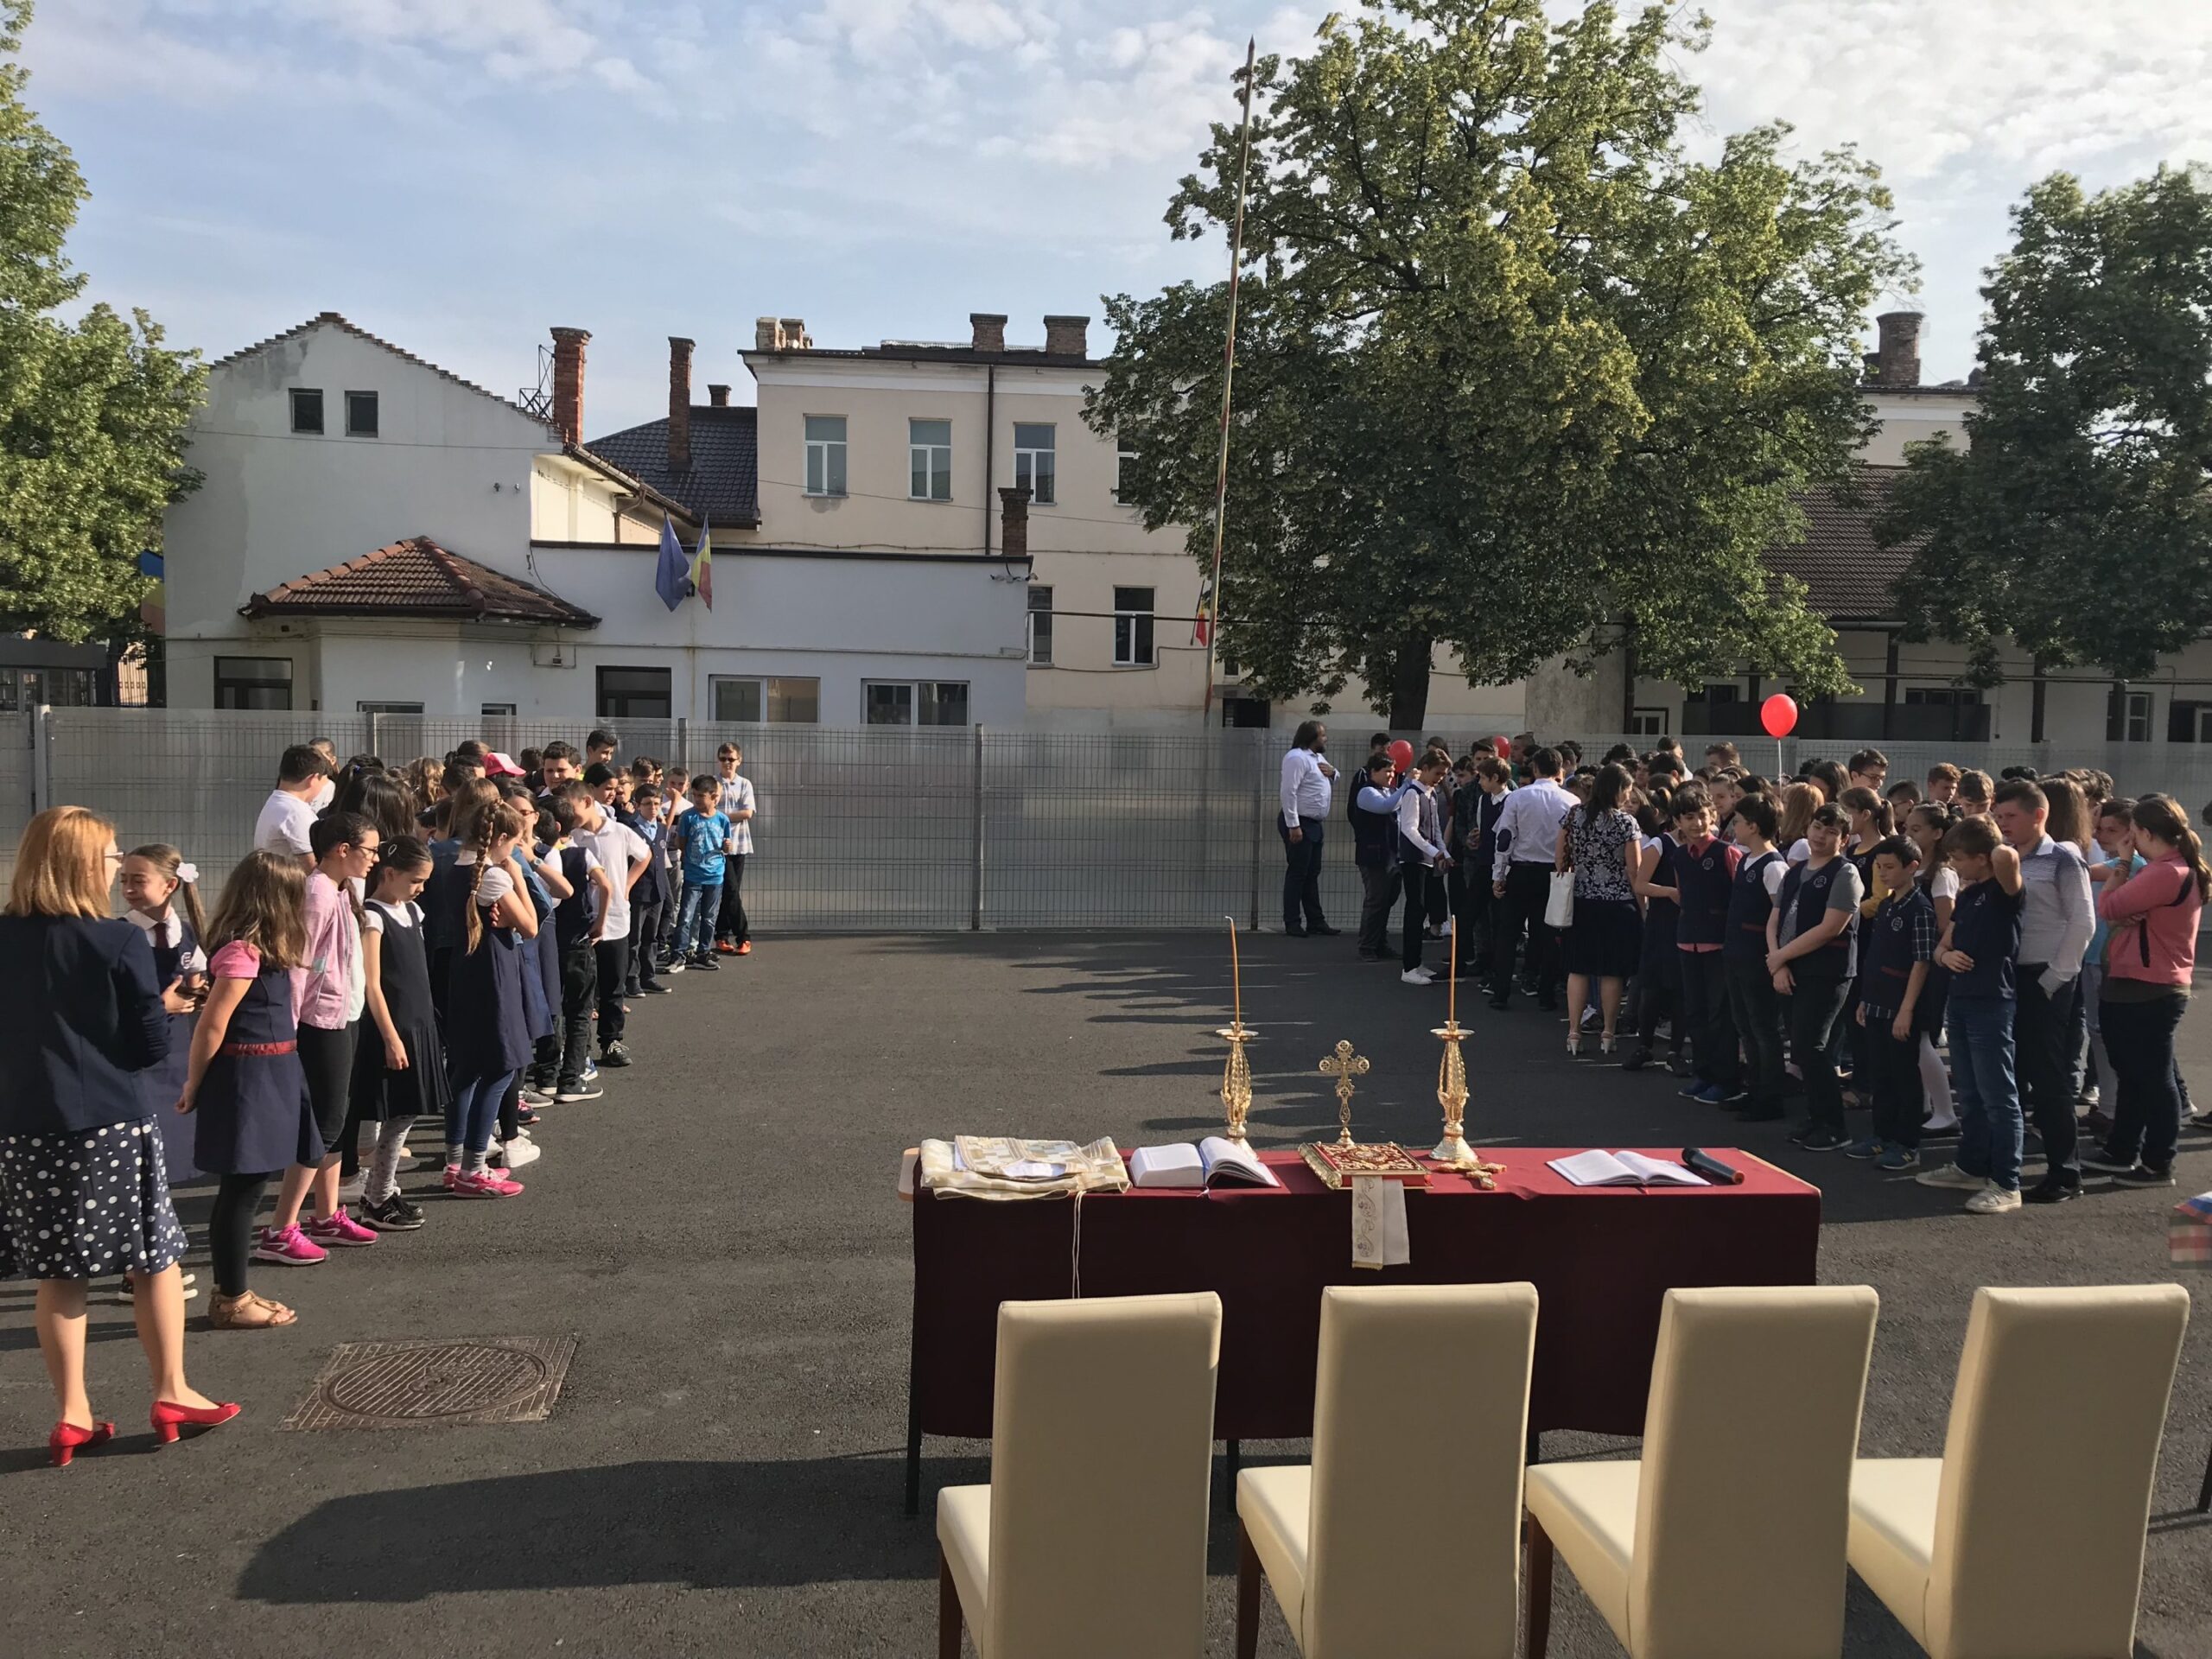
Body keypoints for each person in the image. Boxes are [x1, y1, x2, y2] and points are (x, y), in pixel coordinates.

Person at [0, 807, 232, 1460]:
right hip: (110, 1121)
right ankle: (171, 1390)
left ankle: (72, 1412)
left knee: (59, 1273)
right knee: (154, 1256)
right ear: (81, 865)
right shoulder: (115, 941)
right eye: (109, 857)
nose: (114, 868)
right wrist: (167, 1005)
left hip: (25, 1124)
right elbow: (147, 1047)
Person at [182, 849, 320, 1330]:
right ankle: (230, 1298)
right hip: (248, 1077)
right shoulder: (243, 952)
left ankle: (234, 1290)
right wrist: (194, 1082)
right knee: (242, 1188)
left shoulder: (265, 949)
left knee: (251, 1185)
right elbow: (212, 1024)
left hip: (274, 1070)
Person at [257, 811, 379, 1267]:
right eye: (370, 850)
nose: (375, 859)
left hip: (344, 1014)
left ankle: (326, 1215)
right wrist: (288, 1029)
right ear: (342, 849)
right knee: (323, 1124)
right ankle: (280, 1228)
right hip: (318, 1021)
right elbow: (299, 963)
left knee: (337, 1118)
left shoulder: (341, 889)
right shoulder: (316, 892)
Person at [2082, 794, 2206, 1187]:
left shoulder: (2165, 872)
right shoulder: (2169, 870)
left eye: (2131, 833)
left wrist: (2121, 867)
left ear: (2146, 833)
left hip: (2149, 985)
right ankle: (2122, 1150)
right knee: (2134, 1075)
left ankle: (2157, 1162)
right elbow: (2120, 909)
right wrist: (2124, 903)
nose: (2127, 840)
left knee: (2152, 1077)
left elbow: (2109, 907)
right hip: (2141, 982)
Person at [1991, 778, 2094, 1203]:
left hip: (2045, 979)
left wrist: (2055, 979)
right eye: (1998, 816)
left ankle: (2065, 1173)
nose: (2003, 823)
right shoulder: (2006, 856)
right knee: (2010, 1074)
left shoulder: (2063, 859)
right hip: (2008, 976)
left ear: (2039, 815)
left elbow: (2083, 921)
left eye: (2010, 816)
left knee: (2049, 1078)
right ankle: (2004, 1168)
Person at [1917, 817, 2025, 1214]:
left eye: (1961, 858)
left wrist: (1987, 828)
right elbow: (1941, 946)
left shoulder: (2005, 891)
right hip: (1961, 1000)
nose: (1955, 866)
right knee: (1971, 1093)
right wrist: (1945, 956)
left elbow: (2007, 857)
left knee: (1999, 1096)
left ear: (1982, 858)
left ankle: (2007, 1182)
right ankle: (1972, 1166)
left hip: (1992, 1002)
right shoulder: (1969, 895)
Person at [349, 837, 442, 1232]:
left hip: (419, 1023)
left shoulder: (413, 911)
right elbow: (372, 983)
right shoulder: (373, 917)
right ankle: (377, 1196)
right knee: (399, 1111)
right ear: (389, 874)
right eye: (415, 880)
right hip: (394, 1027)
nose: (420, 888)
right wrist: (390, 1036)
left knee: (407, 1111)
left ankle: (380, 1191)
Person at [444, 801, 535, 1198]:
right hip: (494, 974)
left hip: (464, 973)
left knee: (466, 1068)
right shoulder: (494, 876)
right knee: (500, 1068)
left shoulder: (455, 868)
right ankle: (474, 1167)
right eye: (515, 842)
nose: (516, 850)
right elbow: (531, 925)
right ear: (501, 838)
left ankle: (454, 1160)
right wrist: (516, 877)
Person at [1768, 803, 1864, 1151]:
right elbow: (1774, 919)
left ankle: (1835, 1126)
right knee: (1801, 1047)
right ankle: (1816, 1117)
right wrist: (1778, 963)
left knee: (1814, 1046)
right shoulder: (1795, 871)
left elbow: (1830, 928)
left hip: (1826, 972)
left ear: (1844, 838)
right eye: (1817, 827)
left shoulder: (1845, 873)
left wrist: (1781, 957)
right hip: (1790, 969)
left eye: (1831, 831)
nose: (1821, 836)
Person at [122, 845, 210, 1190]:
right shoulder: (119, 934)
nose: (128, 888)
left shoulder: (189, 933)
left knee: (176, 1141)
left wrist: (199, 994)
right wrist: (163, 1006)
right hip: (138, 1053)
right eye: (124, 880)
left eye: (138, 880)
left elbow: (197, 984)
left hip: (179, 1052)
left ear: (170, 885)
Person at [1851, 836, 1936, 1170]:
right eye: (1878, 867)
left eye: (1889, 867)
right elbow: (1875, 956)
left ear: (1911, 867)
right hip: (1876, 1001)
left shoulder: (1920, 908)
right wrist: (1865, 999)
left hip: (1901, 1006)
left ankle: (1907, 1144)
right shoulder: (1887, 905)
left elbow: (1921, 961)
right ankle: (1882, 1135)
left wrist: (1907, 1009)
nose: (1883, 873)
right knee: (1881, 1074)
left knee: (1904, 1076)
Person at [1557, 762, 1642, 1055]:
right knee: (1611, 971)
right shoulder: (1626, 823)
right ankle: (1608, 1032)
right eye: (1627, 790)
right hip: (1618, 902)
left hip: (1582, 899)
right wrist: (1642, 907)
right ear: (1618, 790)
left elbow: (1560, 859)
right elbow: (1634, 870)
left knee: (1579, 968)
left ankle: (1573, 1032)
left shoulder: (1574, 815)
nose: (1628, 796)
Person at [1718, 794, 1789, 1119]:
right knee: (1745, 1026)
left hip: (1758, 958)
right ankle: (1754, 1089)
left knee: (1763, 1028)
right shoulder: (1746, 860)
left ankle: (1770, 1098)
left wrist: (1777, 959)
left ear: (1754, 826)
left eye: (1738, 822)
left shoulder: (1773, 866)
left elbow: (1781, 914)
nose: (1734, 827)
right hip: (1737, 953)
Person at [1489, 746, 1574, 1010]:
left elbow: (1505, 838)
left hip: (1521, 869)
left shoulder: (1517, 797)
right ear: (1560, 770)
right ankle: (1546, 994)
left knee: (1508, 933)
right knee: (1548, 934)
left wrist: (1499, 874)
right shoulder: (1571, 801)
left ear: (1535, 769)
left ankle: (1500, 992)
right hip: (1554, 873)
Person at [576, 771, 650, 1068]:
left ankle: (611, 1041)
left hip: (616, 920)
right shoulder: (573, 837)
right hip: (582, 921)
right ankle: (579, 1048)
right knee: (581, 988)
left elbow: (644, 855)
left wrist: (627, 885)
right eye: (607, 788)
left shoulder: (619, 831)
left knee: (613, 985)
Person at [545, 790, 610, 1101]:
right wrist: (600, 922)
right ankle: (571, 1077)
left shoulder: (539, 857)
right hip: (578, 940)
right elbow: (606, 885)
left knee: (551, 1008)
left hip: (548, 940)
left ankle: (546, 1074)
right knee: (580, 1010)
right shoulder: (581, 854)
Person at [1904, 802, 1962, 1136]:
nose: (1909, 834)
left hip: (1929, 964)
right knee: (1911, 1039)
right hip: (1907, 962)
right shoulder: (1910, 869)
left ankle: (1945, 1111)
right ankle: (1923, 1105)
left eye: (1917, 829)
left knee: (1923, 1036)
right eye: (1907, 828)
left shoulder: (1941, 874)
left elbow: (1945, 925)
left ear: (1938, 833)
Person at [1395, 747, 1452, 986]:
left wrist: (1444, 852)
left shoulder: (1431, 794)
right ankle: (1409, 967)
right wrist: (1433, 851)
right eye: (1437, 773)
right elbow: (1409, 829)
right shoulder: (1413, 793)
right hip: (1413, 859)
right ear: (1425, 769)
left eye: (1443, 775)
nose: (1440, 778)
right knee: (1415, 909)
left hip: (1427, 859)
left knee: (1423, 909)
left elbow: (1435, 828)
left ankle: (1416, 963)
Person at [1277, 721, 1338, 937]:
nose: (1325, 739)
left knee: (1311, 873)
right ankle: (1292, 922)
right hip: (1300, 823)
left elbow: (1333, 774)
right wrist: (1293, 824)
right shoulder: (1297, 758)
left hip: (1314, 824)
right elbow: (1289, 792)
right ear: (1311, 737)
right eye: (1322, 735)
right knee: (1298, 873)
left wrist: (1334, 773)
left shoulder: (1317, 758)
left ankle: (1316, 920)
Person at [1349, 753, 1406, 961]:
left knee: (1387, 900)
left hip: (1392, 854)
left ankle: (1380, 943)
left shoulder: (1390, 791)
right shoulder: (1366, 792)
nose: (1391, 775)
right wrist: (1407, 786)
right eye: (1387, 771)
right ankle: (1367, 946)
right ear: (1373, 772)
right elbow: (1385, 807)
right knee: (1376, 900)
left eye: (1393, 771)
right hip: (1373, 855)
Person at [672, 774, 732, 969]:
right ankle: (678, 953)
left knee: (709, 917)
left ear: (714, 797)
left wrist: (727, 847)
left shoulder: (722, 819)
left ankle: (703, 952)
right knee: (686, 916)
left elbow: (726, 847)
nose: (697, 799)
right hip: (693, 875)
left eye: (702, 796)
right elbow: (682, 843)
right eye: (695, 795)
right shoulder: (688, 817)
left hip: (715, 875)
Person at [620, 781, 672, 996]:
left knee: (651, 937)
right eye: (648, 804)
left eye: (657, 804)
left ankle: (648, 976)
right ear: (637, 805)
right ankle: (631, 979)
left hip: (656, 891)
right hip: (637, 892)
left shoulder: (661, 828)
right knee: (634, 938)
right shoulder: (629, 829)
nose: (653, 808)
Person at [710, 743, 758, 957]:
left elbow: (748, 812)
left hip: (740, 844)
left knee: (731, 891)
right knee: (730, 889)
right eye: (723, 758)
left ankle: (721, 934)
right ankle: (743, 936)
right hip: (717, 845)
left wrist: (719, 817)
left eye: (731, 759)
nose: (727, 763)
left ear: (739, 761)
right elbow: (706, 809)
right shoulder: (712, 784)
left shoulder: (744, 784)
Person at [252, 745, 327, 868]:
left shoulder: (276, 803)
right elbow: (313, 866)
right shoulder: (296, 813)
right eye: (323, 781)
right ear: (313, 779)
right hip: (289, 880)